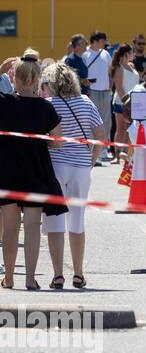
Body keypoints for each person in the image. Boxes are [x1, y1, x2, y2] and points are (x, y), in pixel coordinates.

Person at [0, 55, 66, 290]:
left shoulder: (4, 103)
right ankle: (30, 278)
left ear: (14, 78)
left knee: (9, 228)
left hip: (7, 171)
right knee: (31, 227)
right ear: (38, 79)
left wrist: (2, 69)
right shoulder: (45, 107)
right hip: (36, 171)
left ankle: (8, 278)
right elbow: (58, 143)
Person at [41, 62, 104, 289]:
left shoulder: (47, 104)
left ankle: (58, 275)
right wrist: (91, 160)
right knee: (77, 220)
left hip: (55, 166)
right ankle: (78, 273)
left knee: (54, 220)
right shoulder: (86, 102)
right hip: (80, 167)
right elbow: (100, 135)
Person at [82, 31, 113, 159]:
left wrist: (110, 88)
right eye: (102, 40)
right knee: (91, 121)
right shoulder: (85, 54)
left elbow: (110, 72)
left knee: (106, 121)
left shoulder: (105, 54)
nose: (104, 43)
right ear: (95, 41)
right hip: (91, 91)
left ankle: (104, 149)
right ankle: (91, 149)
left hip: (105, 91)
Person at [108, 42, 137, 159]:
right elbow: (119, 88)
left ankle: (125, 153)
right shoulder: (119, 68)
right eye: (132, 52)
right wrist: (127, 102)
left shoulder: (132, 66)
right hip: (121, 102)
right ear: (126, 54)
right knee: (121, 129)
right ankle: (117, 155)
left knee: (129, 129)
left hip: (133, 102)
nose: (134, 54)